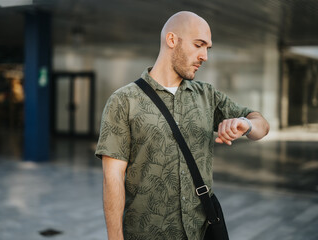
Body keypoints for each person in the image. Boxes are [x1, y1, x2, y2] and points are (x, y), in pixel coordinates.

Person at [95, 11, 270, 240]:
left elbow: (262, 126)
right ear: (171, 40)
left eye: (208, 48)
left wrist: (245, 124)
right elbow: (113, 179)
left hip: (201, 231)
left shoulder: (207, 95)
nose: (204, 56)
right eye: (199, 45)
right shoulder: (123, 101)